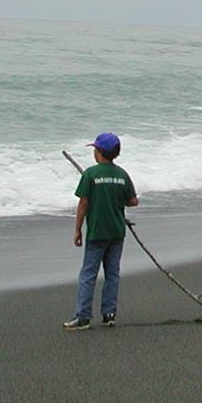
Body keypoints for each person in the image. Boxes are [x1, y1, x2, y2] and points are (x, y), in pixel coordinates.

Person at [63, 132, 139, 330]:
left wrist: (77, 229)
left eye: (95, 149)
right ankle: (109, 313)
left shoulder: (91, 174)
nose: (94, 153)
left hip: (97, 232)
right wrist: (115, 199)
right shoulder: (122, 175)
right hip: (116, 232)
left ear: (99, 152)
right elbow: (133, 201)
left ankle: (83, 316)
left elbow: (83, 203)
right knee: (112, 273)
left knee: (88, 274)